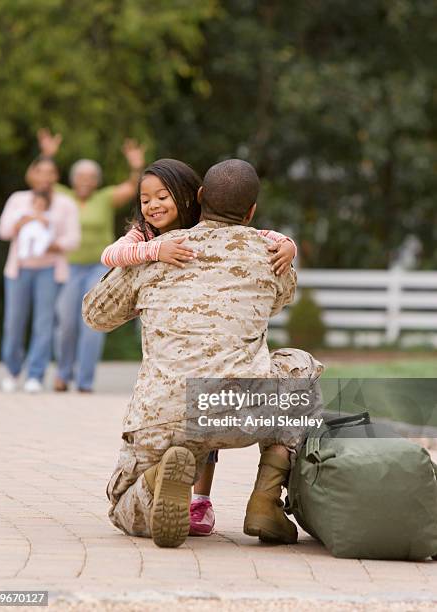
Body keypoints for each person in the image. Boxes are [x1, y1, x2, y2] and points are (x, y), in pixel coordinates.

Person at [83, 159, 323, 548]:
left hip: (163, 415)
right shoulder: (271, 256)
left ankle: (154, 481)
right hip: (242, 412)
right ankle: (266, 498)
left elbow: (95, 315)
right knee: (299, 365)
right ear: (251, 212)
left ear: (198, 198)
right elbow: (278, 299)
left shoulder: (156, 252)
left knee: (120, 503)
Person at [33, 128, 146, 392]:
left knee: (93, 323)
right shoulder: (61, 195)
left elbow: (133, 187)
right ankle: (62, 374)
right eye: (81, 176)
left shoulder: (104, 198)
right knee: (66, 323)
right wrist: (46, 156)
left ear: (97, 181)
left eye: (91, 177)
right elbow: (38, 180)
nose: (86, 181)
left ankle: (84, 381)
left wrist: (136, 166)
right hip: (68, 266)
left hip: (98, 268)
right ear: (72, 180)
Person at [0, 156, 80, 393]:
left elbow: (73, 239)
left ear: (55, 177)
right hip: (19, 269)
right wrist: (21, 224)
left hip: (49, 271)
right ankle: (12, 371)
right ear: (31, 174)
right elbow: (3, 231)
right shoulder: (18, 199)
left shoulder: (66, 204)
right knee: (13, 322)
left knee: (43, 324)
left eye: (49, 172)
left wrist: (51, 244)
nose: (44, 177)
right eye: (39, 171)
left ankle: (35, 374)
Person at [17, 190, 54, 260]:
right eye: (37, 203)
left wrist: (37, 217)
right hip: (28, 231)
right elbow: (22, 219)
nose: (39, 206)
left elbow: (47, 223)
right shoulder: (28, 212)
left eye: (42, 204)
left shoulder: (47, 214)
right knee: (24, 237)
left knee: (44, 239)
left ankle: (38, 251)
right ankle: (23, 252)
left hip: (40, 233)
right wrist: (35, 217)